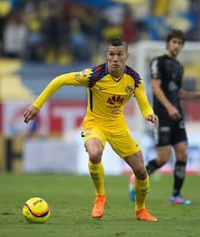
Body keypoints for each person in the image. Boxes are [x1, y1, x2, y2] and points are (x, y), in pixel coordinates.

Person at [23, 37, 158, 222]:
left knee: (141, 171)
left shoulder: (134, 79)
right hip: (95, 125)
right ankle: (100, 197)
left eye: (119, 54)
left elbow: (143, 102)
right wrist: (37, 105)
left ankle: (141, 211)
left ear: (127, 56)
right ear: (107, 55)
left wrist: (149, 114)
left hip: (118, 127)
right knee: (95, 154)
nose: (115, 58)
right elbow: (60, 80)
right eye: (112, 54)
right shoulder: (93, 75)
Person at [129, 29, 200, 205]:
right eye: (174, 42)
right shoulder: (157, 62)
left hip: (177, 116)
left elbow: (178, 92)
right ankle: (135, 177)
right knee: (163, 158)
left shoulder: (179, 66)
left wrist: (199, 95)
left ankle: (176, 195)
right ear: (168, 43)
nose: (177, 45)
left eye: (180, 43)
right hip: (163, 116)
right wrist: (169, 107)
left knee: (182, 154)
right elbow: (156, 87)